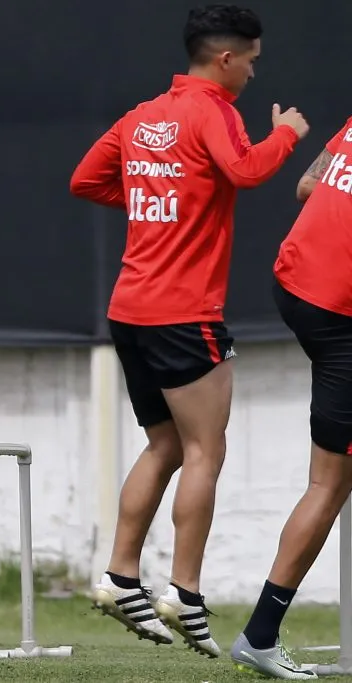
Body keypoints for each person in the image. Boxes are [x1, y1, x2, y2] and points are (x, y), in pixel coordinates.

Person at [69, 4, 308, 658]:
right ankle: (186, 591)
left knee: (165, 445)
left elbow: (85, 179)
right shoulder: (215, 113)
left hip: (129, 308)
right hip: (184, 312)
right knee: (206, 450)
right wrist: (285, 134)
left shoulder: (142, 115)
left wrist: (161, 194)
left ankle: (120, 576)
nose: (256, 72)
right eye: (252, 60)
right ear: (225, 58)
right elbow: (248, 171)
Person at [228, 118, 352, 680]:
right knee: (329, 484)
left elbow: (309, 186)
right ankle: (259, 635)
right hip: (337, 315)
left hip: (294, 281)